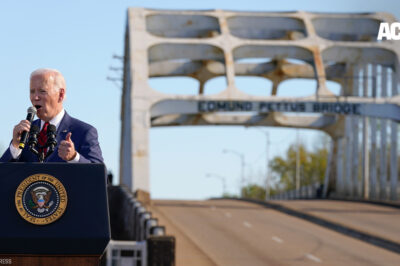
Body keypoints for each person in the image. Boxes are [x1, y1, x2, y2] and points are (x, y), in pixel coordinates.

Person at [0, 68, 103, 163]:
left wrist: (74, 157)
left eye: (42, 91)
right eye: (32, 91)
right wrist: (15, 146)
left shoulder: (84, 132)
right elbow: (4, 175)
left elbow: (100, 177)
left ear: (61, 94)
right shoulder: (25, 133)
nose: (35, 97)